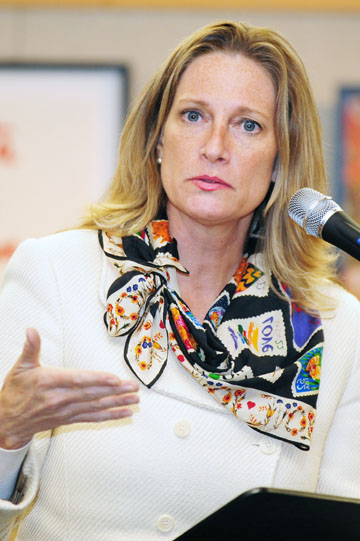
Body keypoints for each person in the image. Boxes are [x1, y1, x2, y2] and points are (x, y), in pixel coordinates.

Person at [0, 20, 359, 541]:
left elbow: (339, 527)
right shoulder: (57, 272)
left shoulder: (336, 325)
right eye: (193, 116)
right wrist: (6, 433)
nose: (215, 146)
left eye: (248, 125)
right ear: (158, 140)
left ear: (281, 161)